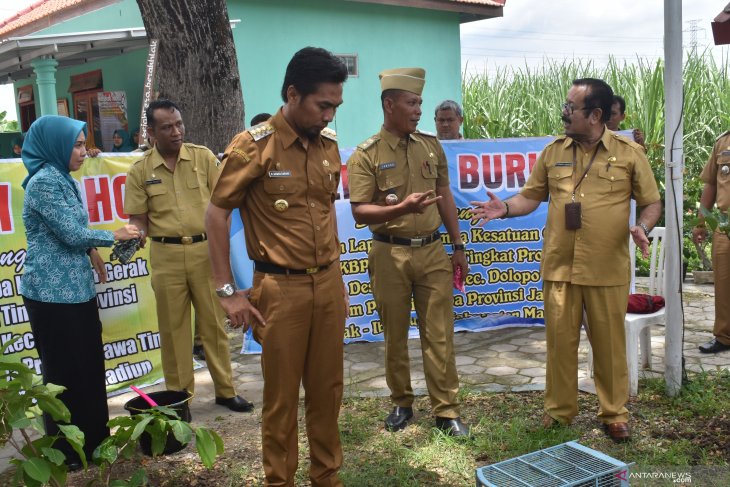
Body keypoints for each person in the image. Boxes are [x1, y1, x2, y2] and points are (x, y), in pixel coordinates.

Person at [471, 78, 661, 442]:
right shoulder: (552, 151)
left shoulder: (629, 153)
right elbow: (530, 197)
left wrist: (642, 226)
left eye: (571, 108)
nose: (564, 113)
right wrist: (505, 208)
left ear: (595, 115)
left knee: (608, 345)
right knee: (560, 343)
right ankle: (559, 411)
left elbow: (652, 201)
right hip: (560, 265)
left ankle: (614, 413)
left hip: (607, 267)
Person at [206, 46, 348, 486]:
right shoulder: (254, 147)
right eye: (323, 104)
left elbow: (324, 215)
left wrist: (337, 277)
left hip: (326, 285)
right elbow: (215, 214)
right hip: (279, 291)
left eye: (335, 106)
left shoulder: (328, 147)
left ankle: (327, 478)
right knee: (282, 401)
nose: (329, 114)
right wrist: (228, 291)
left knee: (327, 395)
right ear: (292, 93)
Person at [347, 68, 470, 437]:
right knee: (395, 334)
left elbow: (445, 196)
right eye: (412, 102)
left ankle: (446, 411)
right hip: (389, 255)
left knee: (440, 334)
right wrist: (401, 209)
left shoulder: (430, 146)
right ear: (389, 104)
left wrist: (458, 244)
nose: (419, 110)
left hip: (433, 251)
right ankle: (402, 403)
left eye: (420, 103)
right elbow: (359, 210)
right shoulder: (366, 153)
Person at [19, 115, 141, 468]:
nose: (84, 151)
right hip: (50, 294)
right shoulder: (44, 182)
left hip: (78, 290)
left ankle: (95, 442)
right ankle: (68, 451)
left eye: (84, 143)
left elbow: (74, 232)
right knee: (62, 373)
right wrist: (112, 235)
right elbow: (71, 233)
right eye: (75, 144)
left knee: (88, 367)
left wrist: (92, 250)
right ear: (55, 146)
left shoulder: (64, 179)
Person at [123, 99, 252, 412]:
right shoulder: (140, 170)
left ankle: (225, 390)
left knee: (214, 325)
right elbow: (138, 218)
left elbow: (222, 204)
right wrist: (135, 233)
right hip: (166, 255)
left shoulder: (202, 157)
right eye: (167, 127)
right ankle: (179, 399)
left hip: (204, 252)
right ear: (152, 133)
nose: (176, 131)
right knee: (174, 330)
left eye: (179, 124)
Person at [692, 130, 730, 354]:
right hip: (725, 224)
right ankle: (724, 336)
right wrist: (701, 222)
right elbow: (712, 186)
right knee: (723, 283)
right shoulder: (723, 142)